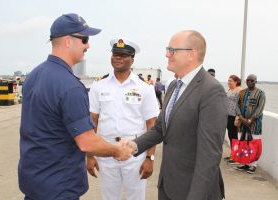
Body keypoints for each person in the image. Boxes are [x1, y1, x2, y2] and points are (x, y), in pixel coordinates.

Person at [18, 13, 132, 200]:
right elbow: (87, 141)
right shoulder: (70, 86)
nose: (88, 45)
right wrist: (116, 150)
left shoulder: (33, 76)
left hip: (34, 180)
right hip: (58, 185)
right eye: (85, 39)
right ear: (68, 41)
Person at [125, 30, 228, 200]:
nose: (167, 54)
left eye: (172, 50)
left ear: (191, 54)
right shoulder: (174, 86)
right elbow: (161, 128)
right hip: (168, 185)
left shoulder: (211, 90)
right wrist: (133, 146)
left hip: (193, 190)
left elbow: (209, 155)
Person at [87, 38, 160, 200]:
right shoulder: (99, 86)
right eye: (115, 54)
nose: (118, 58)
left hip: (135, 153)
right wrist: (90, 155)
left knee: (136, 197)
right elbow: (93, 121)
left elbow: (152, 125)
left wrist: (150, 158)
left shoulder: (144, 88)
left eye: (123, 55)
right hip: (106, 151)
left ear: (132, 59)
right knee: (109, 197)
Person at [235, 74, 266, 174]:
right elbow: (236, 106)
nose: (249, 82)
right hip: (242, 123)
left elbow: (259, 109)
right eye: (248, 80)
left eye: (252, 80)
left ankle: (253, 165)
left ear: (255, 81)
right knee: (243, 143)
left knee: (253, 144)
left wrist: (250, 120)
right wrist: (241, 118)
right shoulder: (241, 92)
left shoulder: (261, 93)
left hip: (254, 124)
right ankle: (245, 163)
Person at [225, 75, 242, 164]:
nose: (229, 82)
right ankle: (232, 154)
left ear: (236, 82)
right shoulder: (229, 90)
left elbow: (240, 104)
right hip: (228, 115)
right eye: (228, 81)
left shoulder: (239, 90)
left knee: (234, 137)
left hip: (234, 116)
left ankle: (235, 156)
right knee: (231, 136)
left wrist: (237, 117)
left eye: (231, 81)